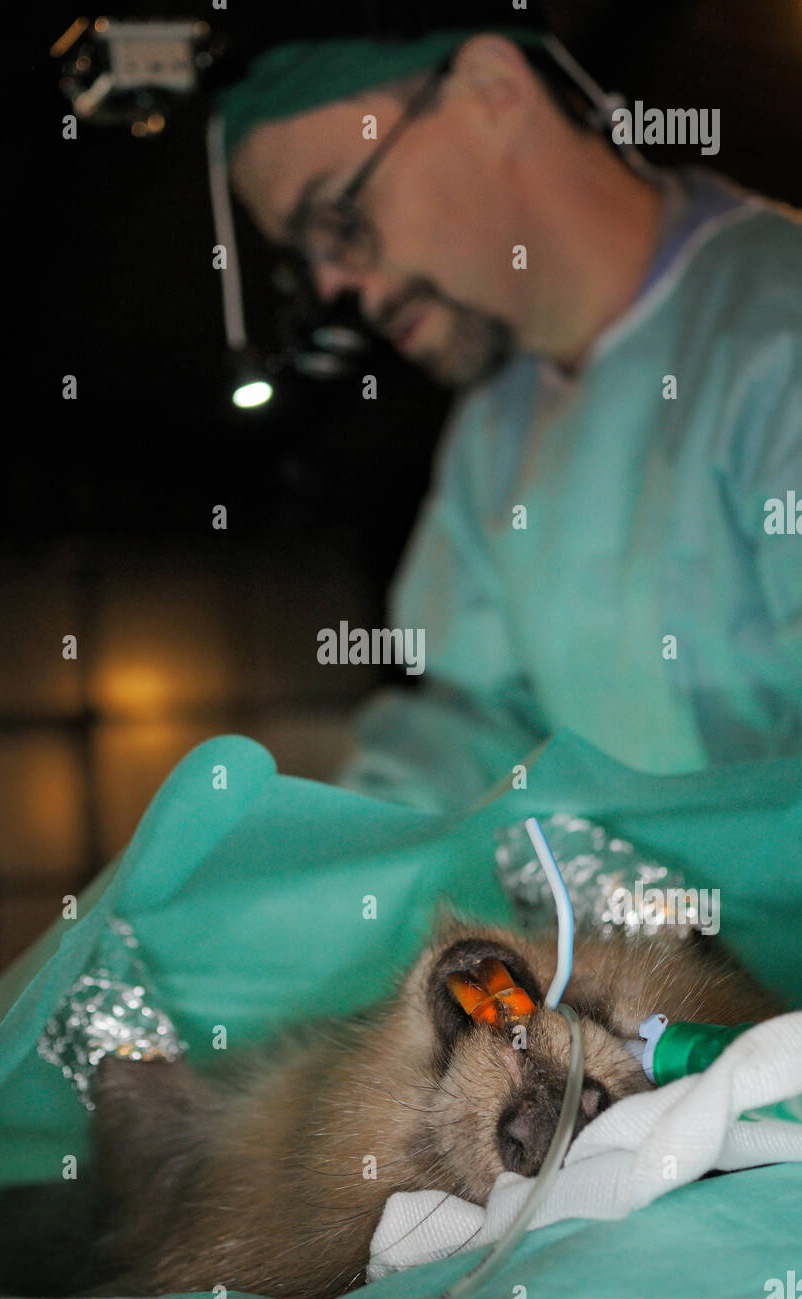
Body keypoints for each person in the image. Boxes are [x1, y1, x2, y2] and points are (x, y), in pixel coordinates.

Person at [220, 25, 802, 812]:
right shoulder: (493, 432)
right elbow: (475, 729)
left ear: (493, 88)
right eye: (305, 257)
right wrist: (330, 866)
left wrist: (701, 915)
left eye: (338, 215)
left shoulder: (776, 335)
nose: (334, 287)